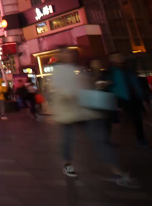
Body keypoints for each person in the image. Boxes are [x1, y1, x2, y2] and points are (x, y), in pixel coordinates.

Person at [51, 47, 139, 188]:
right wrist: (73, 94)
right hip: (69, 111)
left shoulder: (80, 69)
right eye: (66, 53)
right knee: (68, 139)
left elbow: (87, 86)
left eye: (72, 53)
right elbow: (61, 90)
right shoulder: (59, 71)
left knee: (101, 140)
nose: (70, 56)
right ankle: (67, 164)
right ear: (61, 56)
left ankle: (117, 171)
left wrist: (95, 85)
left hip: (85, 110)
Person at [108, 53, 147, 147]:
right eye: (117, 58)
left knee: (137, 120)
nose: (119, 59)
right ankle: (113, 139)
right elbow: (109, 85)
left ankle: (140, 139)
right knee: (121, 120)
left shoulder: (129, 70)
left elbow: (136, 83)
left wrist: (140, 95)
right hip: (122, 98)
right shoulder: (111, 72)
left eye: (120, 57)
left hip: (134, 98)